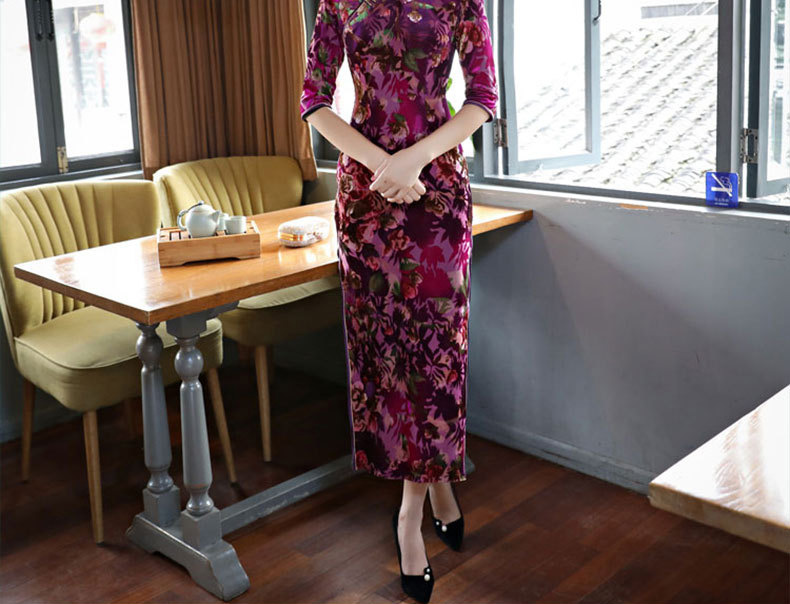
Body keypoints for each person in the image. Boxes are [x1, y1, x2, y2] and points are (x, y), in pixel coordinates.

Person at [299, 0, 497, 601]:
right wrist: (383, 165)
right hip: (366, 201)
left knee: (437, 356)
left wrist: (414, 160)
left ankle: (409, 517)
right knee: (384, 353)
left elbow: (482, 98)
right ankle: (437, 486)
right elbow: (314, 99)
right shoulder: (337, 3)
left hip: (437, 195)